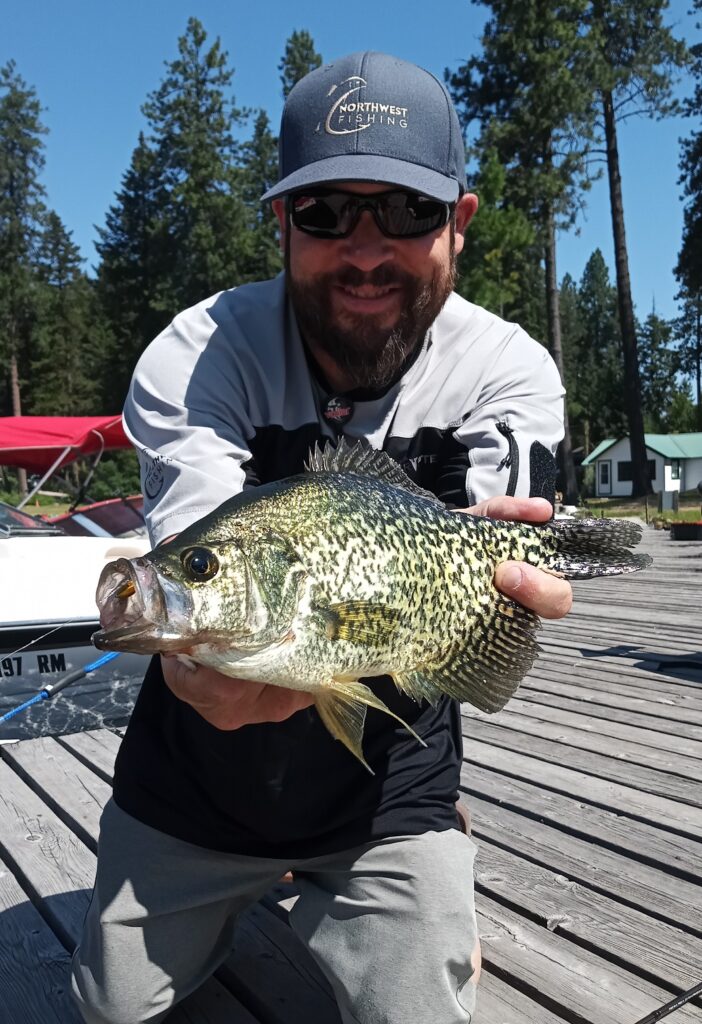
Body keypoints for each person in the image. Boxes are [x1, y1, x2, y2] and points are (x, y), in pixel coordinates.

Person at [72, 51, 570, 1024]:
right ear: (284, 223)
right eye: (328, 213)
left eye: (409, 212)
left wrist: (514, 587)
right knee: (108, 1010)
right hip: (193, 775)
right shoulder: (195, 356)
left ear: (459, 222)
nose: (368, 250)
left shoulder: (507, 370)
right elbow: (204, 559)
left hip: (390, 769)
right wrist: (192, 645)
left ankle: (425, 852)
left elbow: (486, 560)